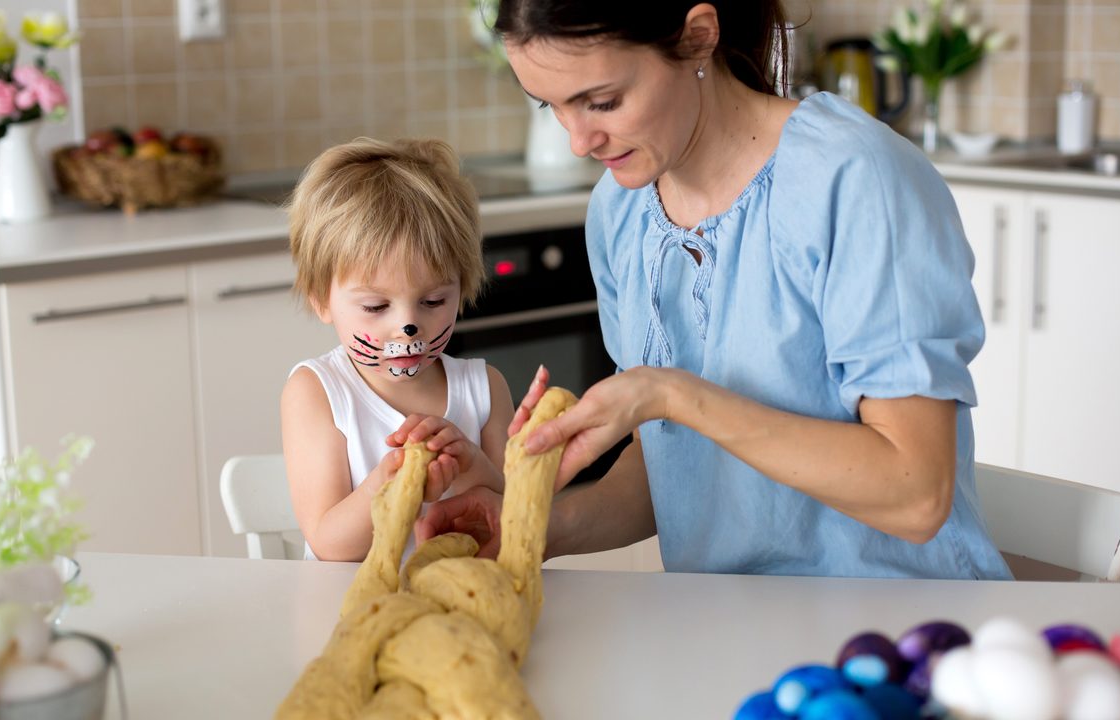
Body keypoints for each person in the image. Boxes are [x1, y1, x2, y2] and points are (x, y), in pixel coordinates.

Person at [416, 1, 1012, 579]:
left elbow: (917, 495)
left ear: (698, 36)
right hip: (728, 630)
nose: (579, 141)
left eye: (601, 101)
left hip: (901, 632)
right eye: (550, 106)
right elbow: (673, 472)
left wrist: (670, 395)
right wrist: (533, 527)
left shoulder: (856, 180)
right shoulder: (619, 210)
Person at [282, 137, 514, 562]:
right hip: (356, 613)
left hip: (463, 606)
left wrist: (471, 467)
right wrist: (385, 486)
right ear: (321, 300)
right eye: (375, 306)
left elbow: (517, 523)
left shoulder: (485, 389)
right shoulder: (317, 393)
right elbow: (329, 545)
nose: (407, 329)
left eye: (433, 302)